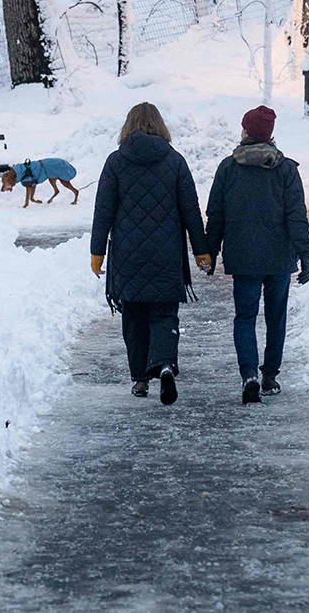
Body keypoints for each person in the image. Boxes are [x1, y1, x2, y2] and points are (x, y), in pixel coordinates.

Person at [91, 102, 210, 405]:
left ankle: (141, 379)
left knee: (133, 316)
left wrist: (97, 252)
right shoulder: (174, 161)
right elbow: (190, 211)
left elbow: (103, 211)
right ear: (160, 126)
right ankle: (166, 365)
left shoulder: (116, 162)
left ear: (128, 127)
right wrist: (200, 250)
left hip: (128, 254)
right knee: (163, 312)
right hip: (166, 251)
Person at [205, 105, 309, 404]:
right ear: (270, 136)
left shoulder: (228, 168)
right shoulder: (286, 169)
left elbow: (216, 215)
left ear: (245, 133)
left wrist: (210, 252)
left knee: (245, 317)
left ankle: (249, 374)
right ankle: (270, 376)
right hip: (279, 257)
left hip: (243, 257)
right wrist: (304, 253)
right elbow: (296, 215)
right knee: (276, 317)